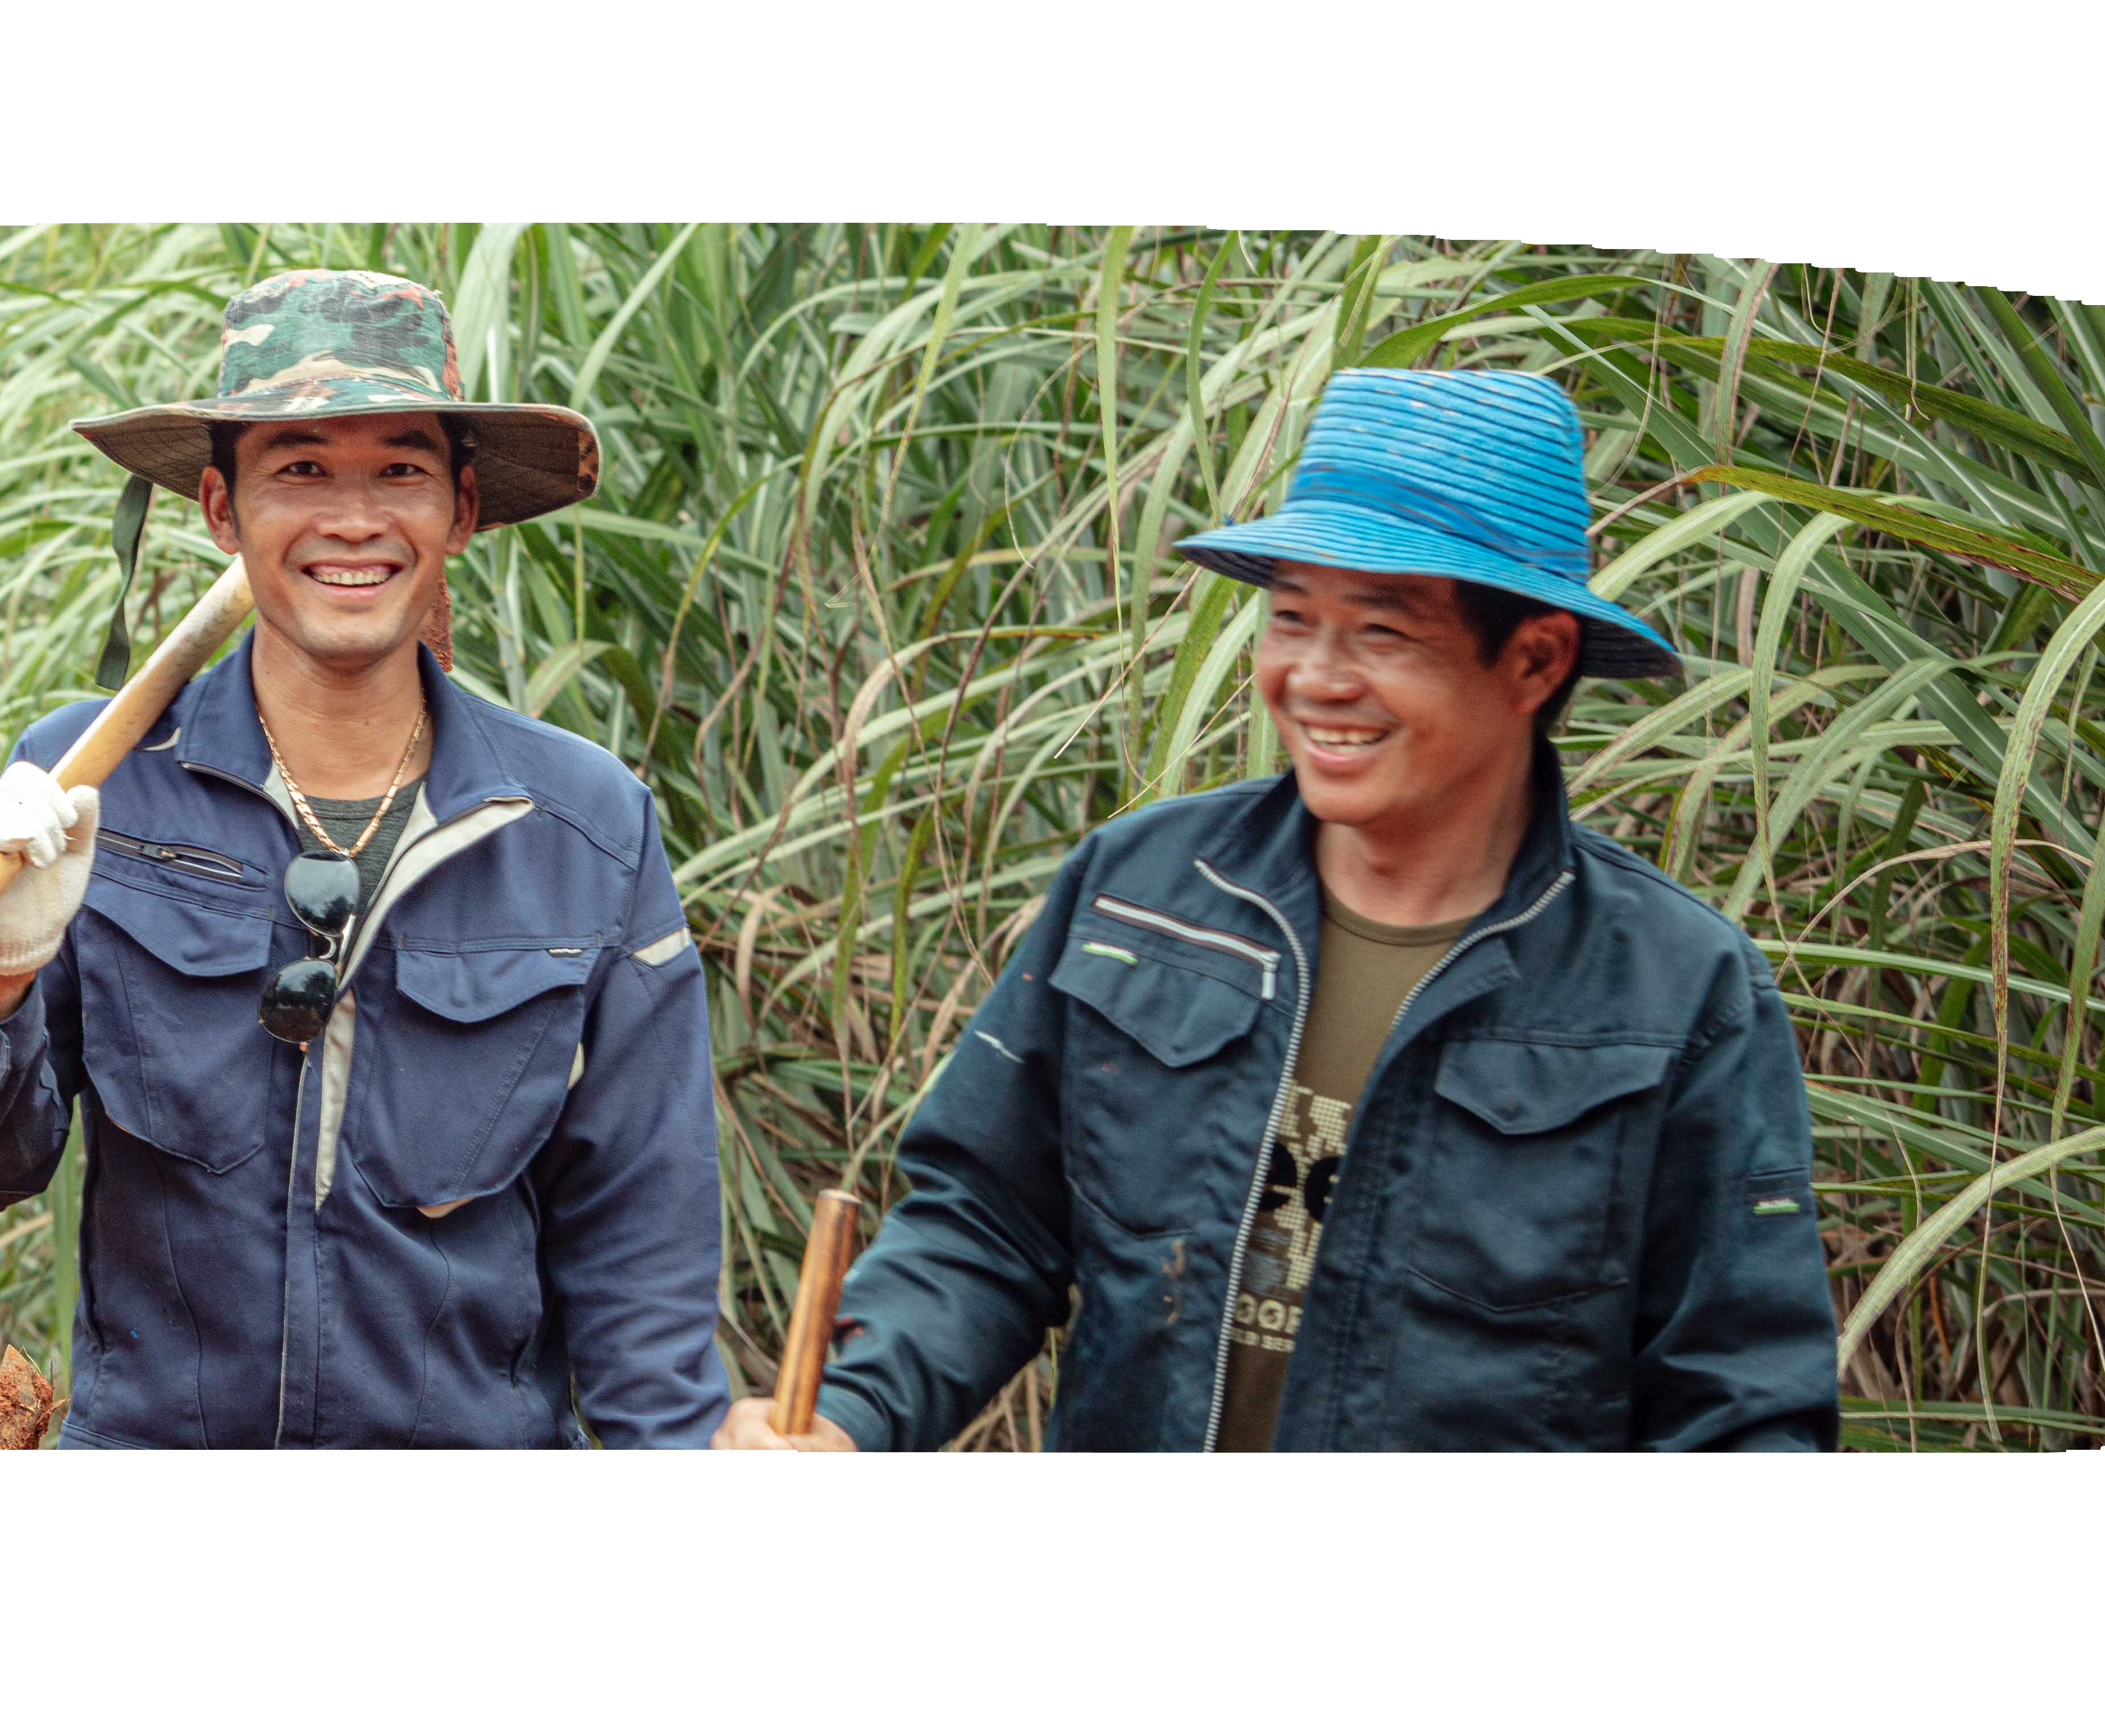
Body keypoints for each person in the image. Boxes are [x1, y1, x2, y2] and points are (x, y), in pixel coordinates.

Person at [721, 368, 1837, 1452]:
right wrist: (849, 1416)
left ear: (1535, 658)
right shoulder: (1143, 893)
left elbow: (1739, 1409)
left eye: (1382, 632)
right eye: (1292, 618)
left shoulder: (1675, 988)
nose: (1315, 677)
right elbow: (985, 1225)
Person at [0, 268, 730, 1449]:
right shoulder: (87, 782)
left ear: (464, 509)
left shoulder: (584, 830)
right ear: (223, 514)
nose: (352, 518)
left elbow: (646, 1278)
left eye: (400, 469)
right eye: (299, 470)